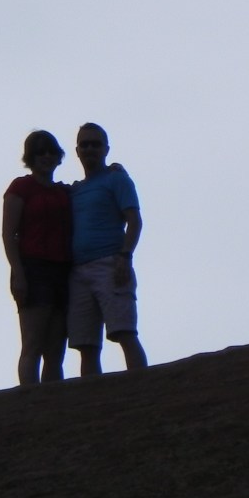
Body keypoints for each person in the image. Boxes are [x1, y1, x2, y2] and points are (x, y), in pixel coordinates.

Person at [67, 122, 149, 376]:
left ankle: (143, 386)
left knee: (124, 331)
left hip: (110, 263)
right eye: (85, 144)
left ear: (106, 149)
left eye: (96, 144)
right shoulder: (75, 190)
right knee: (86, 344)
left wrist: (125, 256)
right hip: (77, 271)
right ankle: (91, 395)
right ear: (77, 150)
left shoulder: (117, 179)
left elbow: (134, 220)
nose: (90, 149)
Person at [1, 130, 72, 385]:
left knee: (55, 349)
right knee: (33, 343)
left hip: (62, 270)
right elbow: (9, 234)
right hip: (33, 269)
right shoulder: (21, 188)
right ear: (30, 157)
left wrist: (114, 169)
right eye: (40, 151)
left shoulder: (64, 192)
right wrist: (18, 273)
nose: (46, 156)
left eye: (51, 151)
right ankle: (29, 398)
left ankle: (52, 400)